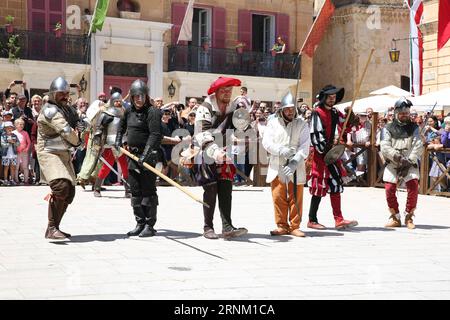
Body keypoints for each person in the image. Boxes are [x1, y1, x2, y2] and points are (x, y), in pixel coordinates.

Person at [193, 76, 248, 240]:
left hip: (225, 152)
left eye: (229, 91)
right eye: (223, 91)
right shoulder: (205, 107)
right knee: (210, 190)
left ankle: (227, 226)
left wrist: (243, 128)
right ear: (216, 92)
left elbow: (241, 128)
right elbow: (202, 133)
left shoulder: (233, 107)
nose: (227, 94)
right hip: (206, 151)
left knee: (226, 188)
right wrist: (215, 151)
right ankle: (208, 227)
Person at [37, 76, 85, 239]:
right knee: (61, 187)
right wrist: (78, 141)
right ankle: (51, 228)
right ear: (52, 94)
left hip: (62, 152)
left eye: (66, 93)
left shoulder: (65, 108)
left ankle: (54, 227)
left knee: (69, 191)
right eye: (61, 94)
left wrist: (81, 125)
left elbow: (78, 120)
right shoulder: (49, 109)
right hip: (49, 152)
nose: (64, 96)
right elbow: (65, 130)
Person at [307, 85, 359, 230]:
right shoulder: (316, 113)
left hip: (332, 154)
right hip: (320, 154)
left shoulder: (336, 112)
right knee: (319, 187)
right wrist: (324, 148)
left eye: (334, 97)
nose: (332, 99)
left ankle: (339, 219)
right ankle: (312, 220)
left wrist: (350, 120)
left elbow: (344, 124)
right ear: (324, 97)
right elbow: (315, 134)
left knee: (335, 184)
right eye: (330, 97)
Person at [115, 79, 162, 237]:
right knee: (135, 190)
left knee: (148, 191)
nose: (139, 99)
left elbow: (155, 135)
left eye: (141, 96)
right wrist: (117, 141)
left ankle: (149, 225)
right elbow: (121, 127)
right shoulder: (129, 112)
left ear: (146, 96)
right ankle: (139, 222)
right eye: (136, 96)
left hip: (148, 156)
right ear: (132, 97)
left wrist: (145, 154)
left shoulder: (153, 112)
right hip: (132, 156)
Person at [262, 92, 310, 237]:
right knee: (278, 196)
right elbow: (266, 142)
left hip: (296, 166)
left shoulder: (302, 124)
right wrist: (280, 150)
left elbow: (305, 145)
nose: (290, 111)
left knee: (296, 196)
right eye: (287, 108)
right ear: (281, 109)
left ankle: (295, 225)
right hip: (277, 164)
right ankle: (281, 225)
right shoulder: (273, 123)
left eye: (292, 108)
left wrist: (295, 161)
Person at [380, 98, 424, 229]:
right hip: (393, 162)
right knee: (389, 188)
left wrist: (409, 161)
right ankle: (396, 217)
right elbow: (385, 147)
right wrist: (398, 158)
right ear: (396, 114)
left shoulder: (414, 128)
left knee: (413, 186)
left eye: (406, 113)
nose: (404, 115)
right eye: (401, 113)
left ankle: (409, 216)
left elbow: (418, 145)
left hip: (409, 163)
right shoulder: (387, 128)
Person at [92, 92, 131, 198]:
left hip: (121, 143)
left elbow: (127, 130)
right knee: (106, 167)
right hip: (109, 143)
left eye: (120, 101)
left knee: (124, 167)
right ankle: (97, 188)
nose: (118, 103)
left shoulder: (124, 113)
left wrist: (127, 141)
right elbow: (98, 130)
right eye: (116, 101)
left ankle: (128, 190)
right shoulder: (106, 113)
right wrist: (97, 144)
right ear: (112, 101)